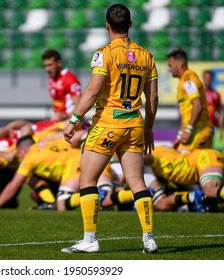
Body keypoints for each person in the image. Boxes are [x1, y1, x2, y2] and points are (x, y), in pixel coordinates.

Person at [62, 4, 159, 254]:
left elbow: (93, 91)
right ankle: (149, 237)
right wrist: (148, 128)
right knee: (137, 182)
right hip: (134, 124)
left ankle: (90, 239)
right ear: (130, 25)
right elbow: (154, 98)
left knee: (88, 179)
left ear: (107, 25)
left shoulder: (104, 54)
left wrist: (73, 120)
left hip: (107, 123)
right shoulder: (146, 55)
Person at [144, 145, 224, 212]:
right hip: (211, 155)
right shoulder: (162, 149)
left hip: (204, 160)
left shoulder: (148, 154)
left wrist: (133, 161)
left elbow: (147, 157)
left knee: (210, 190)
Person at [167, 49, 214, 153]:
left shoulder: (188, 79)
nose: (169, 69)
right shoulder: (183, 80)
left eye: (170, 65)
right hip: (194, 132)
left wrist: (188, 130)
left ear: (180, 64)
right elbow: (186, 115)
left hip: (200, 131)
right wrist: (180, 136)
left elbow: (197, 105)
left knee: (192, 164)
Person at [42, 49, 82, 121]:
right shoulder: (52, 78)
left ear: (59, 63)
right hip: (58, 118)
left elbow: (79, 105)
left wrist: (69, 121)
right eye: (45, 66)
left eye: (50, 65)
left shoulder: (69, 79)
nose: (47, 69)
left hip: (69, 119)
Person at [203, 69, 224, 141]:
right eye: (206, 78)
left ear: (212, 79)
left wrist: (221, 130)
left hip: (212, 126)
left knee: (209, 149)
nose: (207, 80)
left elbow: (220, 112)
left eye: (209, 78)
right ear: (203, 78)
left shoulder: (216, 94)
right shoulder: (198, 93)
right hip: (200, 126)